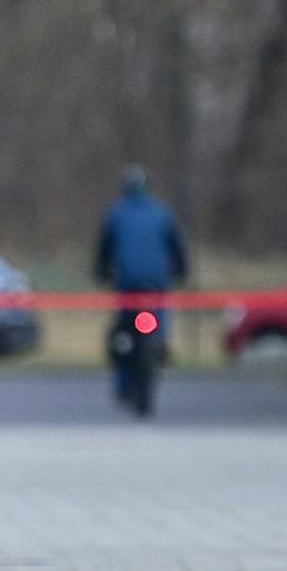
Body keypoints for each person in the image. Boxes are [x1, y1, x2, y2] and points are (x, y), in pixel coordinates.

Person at [95, 166, 189, 401]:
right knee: (160, 317)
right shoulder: (161, 212)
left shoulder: (116, 213)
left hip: (128, 283)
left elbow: (104, 249)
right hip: (157, 282)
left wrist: (101, 271)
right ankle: (161, 341)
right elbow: (177, 247)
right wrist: (181, 271)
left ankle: (124, 382)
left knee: (123, 333)